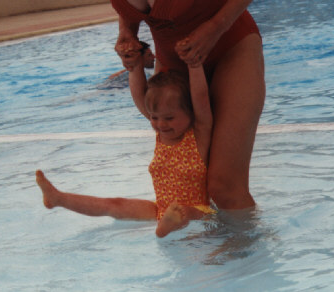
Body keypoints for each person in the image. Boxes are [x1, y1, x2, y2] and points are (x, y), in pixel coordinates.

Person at [36, 46, 215, 238]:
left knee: (187, 212)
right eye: (154, 118)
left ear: (189, 113)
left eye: (169, 118)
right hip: (160, 209)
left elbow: (201, 99)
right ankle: (58, 198)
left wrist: (194, 66)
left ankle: (167, 227)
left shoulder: (198, 134)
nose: (161, 124)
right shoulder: (162, 136)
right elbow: (139, 95)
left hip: (198, 211)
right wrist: (134, 66)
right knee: (114, 205)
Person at [111, 0, 265, 210]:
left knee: (224, 187)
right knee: (189, 187)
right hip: (174, 60)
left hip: (229, 44)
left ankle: (251, 242)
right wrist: (127, 32)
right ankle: (210, 241)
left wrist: (215, 27)